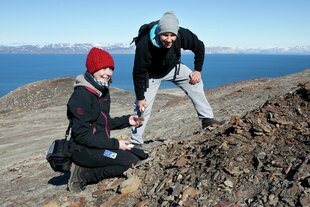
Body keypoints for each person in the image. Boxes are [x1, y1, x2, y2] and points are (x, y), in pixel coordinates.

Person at [131, 11, 224, 147]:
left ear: (177, 33)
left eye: (172, 35)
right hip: (150, 75)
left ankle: (207, 120)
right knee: (142, 107)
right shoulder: (144, 45)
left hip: (173, 68)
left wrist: (197, 70)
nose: (169, 39)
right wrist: (140, 97)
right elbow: (138, 72)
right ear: (158, 33)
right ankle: (135, 143)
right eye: (165, 35)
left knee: (195, 84)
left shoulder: (183, 35)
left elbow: (200, 47)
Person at [67, 47, 146, 193]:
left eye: (110, 68)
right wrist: (115, 144)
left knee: (140, 154)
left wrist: (126, 121)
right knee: (130, 162)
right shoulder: (81, 97)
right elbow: (82, 136)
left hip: (99, 145)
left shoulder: (101, 90)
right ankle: (83, 174)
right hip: (84, 150)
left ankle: (91, 166)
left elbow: (103, 122)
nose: (108, 73)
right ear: (93, 69)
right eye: (103, 68)